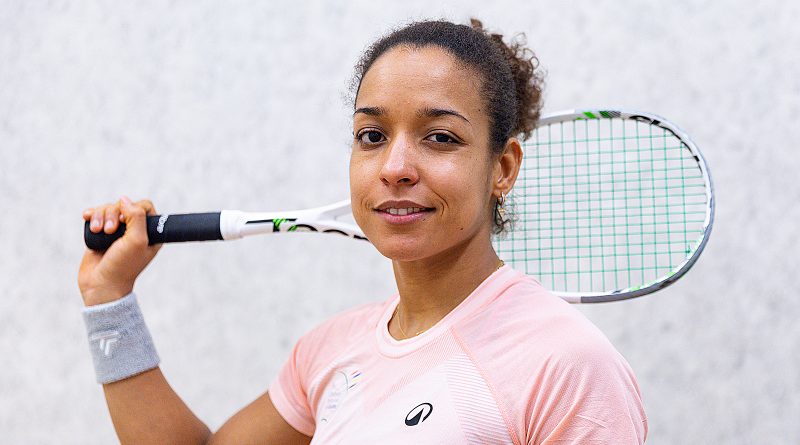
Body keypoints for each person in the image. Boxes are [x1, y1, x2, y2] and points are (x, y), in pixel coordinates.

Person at [79, 19, 647, 444]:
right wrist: (110, 303)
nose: (395, 166)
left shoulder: (566, 364)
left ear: (502, 168)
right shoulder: (330, 351)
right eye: (372, 135)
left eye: (440, 137)